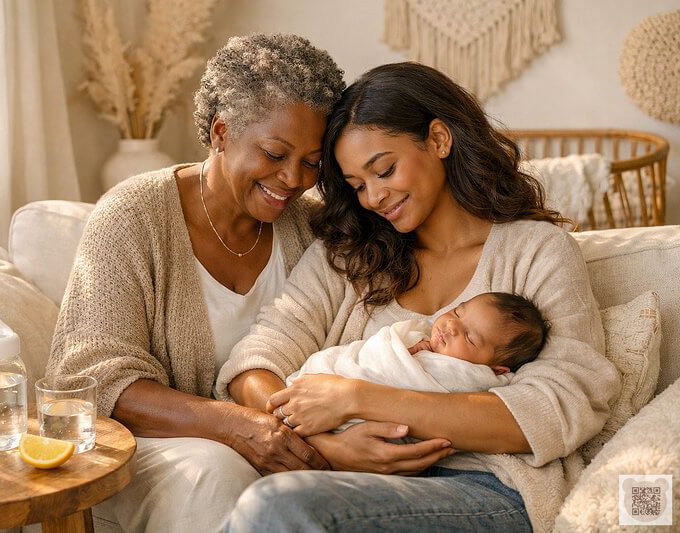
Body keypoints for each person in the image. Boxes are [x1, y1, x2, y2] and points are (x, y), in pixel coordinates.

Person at [216, 62, 620, 533]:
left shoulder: (535, 251)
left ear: (439, 139)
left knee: (278, 505)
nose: (373, 198)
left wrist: (357, 398)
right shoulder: (349, 256)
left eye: (384, 170)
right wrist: (326, 445)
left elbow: (561, 406)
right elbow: (253, 364)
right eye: (356, 185)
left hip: (489, 488)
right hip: (351, 480)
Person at [47, 33, 345, 533]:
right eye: (274, 153)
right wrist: (233, 425)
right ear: (221, 132)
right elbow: (91, 376)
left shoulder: (311, 229)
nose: (293, 179)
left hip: (282, 446)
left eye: (312, 162)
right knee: (218, 472)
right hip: (147, 448)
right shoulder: (133, 216)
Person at [281, 292, 549, 435]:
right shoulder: (429, 339)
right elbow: (379, 350)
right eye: (458, 312)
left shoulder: (468, 378)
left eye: (469, 337)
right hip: (330, 384)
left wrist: (409, 358)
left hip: (354, 413)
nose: (452, 326)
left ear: (496, 370)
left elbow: (406, 380)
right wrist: (408, 348)